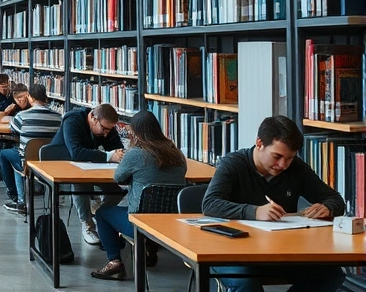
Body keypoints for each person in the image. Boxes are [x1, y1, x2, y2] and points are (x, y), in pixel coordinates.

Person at [201, 115, 347, 292]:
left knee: (331, 274)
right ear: (259, 143)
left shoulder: (296, 168)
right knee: (246, 284)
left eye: (290, 158)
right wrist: (254, 212)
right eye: (277, 156)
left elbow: (335, 199)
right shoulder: (233, 164)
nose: (283, 165)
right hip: (233, 253)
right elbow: (210, 204)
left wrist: (328, 207)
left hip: (281, 251)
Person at [90, 111, 187, 280]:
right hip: (171, 224)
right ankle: (149, 250)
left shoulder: (136, 154)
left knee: (102, 213)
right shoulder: (177, 154)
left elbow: (118, 177)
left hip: (141, 223)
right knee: (155, 203)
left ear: (135, 132)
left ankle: (115, 262)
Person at [46, 104, 125, 245]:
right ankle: (87, 224)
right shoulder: (72, 120)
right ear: (94, 119)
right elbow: (76, 153)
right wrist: (108, 156)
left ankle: (100, 215)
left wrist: (121, 155)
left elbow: (116, 148)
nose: (107, 133)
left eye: (111, 129)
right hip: (62, 164)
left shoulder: (106, 126)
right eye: (105, 129)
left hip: (89, 165)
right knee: (80, 182)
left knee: (117, 192)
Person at [0, 84, 61, 212]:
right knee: (19, 154)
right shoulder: (59, 118)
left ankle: (16, 196)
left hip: (28, 162)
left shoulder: (22, 116)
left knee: (5, 154)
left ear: (30, 98)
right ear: (45, 98)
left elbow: (13, 131)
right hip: (50, 162)